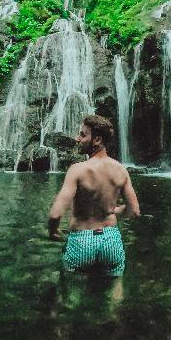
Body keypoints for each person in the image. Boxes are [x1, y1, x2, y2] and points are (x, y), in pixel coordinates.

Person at [47, 114, 140, 277]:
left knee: (73, 290)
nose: (77, 139)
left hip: (82, 240)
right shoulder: (121, 169)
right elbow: (134, 210)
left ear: (97, 140)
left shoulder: (77, 169)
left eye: (82, 134)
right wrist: (112, 211)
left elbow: (55, 213)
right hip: (110, 239)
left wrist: (53, 231)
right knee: (115, 285)